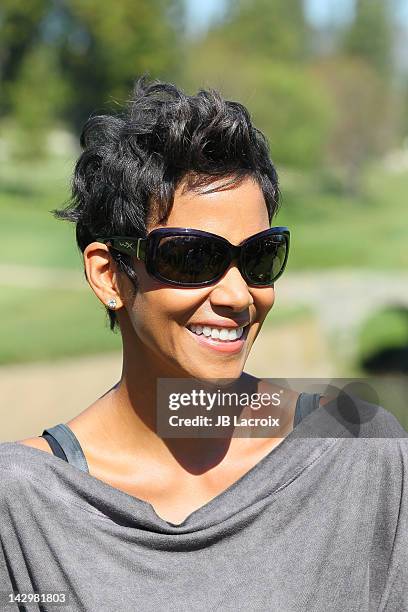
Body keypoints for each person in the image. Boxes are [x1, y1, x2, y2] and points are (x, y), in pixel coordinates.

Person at [0, 77, 407, 612]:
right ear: (107, 275)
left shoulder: (359, 450)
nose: (238, 295)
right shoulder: (23, 505)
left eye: (260, 256)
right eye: (192, 257)